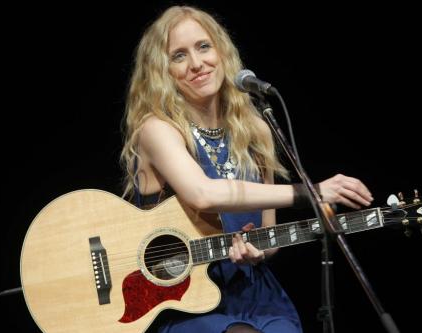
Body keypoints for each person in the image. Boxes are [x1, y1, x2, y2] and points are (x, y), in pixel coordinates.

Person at [120, 5, 373, 333]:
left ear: (222, 52)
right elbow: (203, 194)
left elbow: (269, 235)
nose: (197, 64)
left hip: (253, 293)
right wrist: (308, 191)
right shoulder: (158, 130)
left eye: (203, 47)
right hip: (181, 299)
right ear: (162, 71)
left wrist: (258, 250)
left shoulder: (256, 131)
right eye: (178, 56)